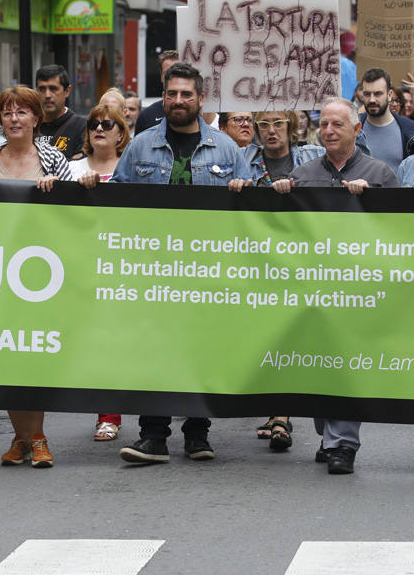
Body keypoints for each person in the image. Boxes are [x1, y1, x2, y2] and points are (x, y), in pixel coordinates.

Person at [107, 62, 250, 464]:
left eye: (187, 94)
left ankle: (197, 434)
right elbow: (116, 197)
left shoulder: (226, 148)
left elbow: (250, 213)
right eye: (172, 94)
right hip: (154, 271)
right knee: (155, 350)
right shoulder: (140, 146)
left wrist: (245, 190)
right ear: (163, 97)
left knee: (203, 350)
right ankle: (152, 436)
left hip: (209, 271)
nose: (179, 101)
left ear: (201, 99)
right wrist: (92, 189)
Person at [272, 97, 400, 475]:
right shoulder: (304, 173)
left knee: (346, 364)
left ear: (356, 129)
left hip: (357, 291)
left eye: (337, 125)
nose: (328, 131)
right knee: (318, 365)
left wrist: (373, 200)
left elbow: (402, 231)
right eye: (323, 124)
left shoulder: (380, 174)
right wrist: (279, 194)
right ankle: (328, 434)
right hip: (310, 291)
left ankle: (343, 444)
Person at [0, 85, 70, 468]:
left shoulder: (52, 158)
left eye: (22, 112)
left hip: (41, 271)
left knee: (32, 358)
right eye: (8, 112)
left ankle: (38, 437)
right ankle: (21, 438)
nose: (14, 119)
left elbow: (75, 205)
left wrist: (57, 190)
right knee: (5, 358)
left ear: (35, 119)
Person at [240, 110, 324, 449]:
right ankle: (276, 409)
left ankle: (281, 415)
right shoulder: (243, 159)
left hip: (302, 261)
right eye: (264, 125)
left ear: (292, 127)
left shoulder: (310, 156)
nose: (271, 131)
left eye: (278, 124)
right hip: (257, 263)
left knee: (289, 337)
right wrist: (236, 186)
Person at [64, 104, 132, 440]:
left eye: (108, 124)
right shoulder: (71, 167)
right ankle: (105, 414)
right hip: (79, 265)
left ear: (121, 133)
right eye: (93, 124)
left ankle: (116, 414)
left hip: (123, 266)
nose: (99, 129)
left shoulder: (132, 167)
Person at [358, 68, 414, 175]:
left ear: (389, 95)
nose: (372, 100)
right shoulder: (353, 129)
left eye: (378, 93)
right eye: (367, 94)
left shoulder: (411, 131)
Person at [35, 64, 86, 160]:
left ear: (67, 91)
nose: (47, 95)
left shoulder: (81, 127)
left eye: (53, 89)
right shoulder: (30, 124)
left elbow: (80, 165)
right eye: (42, 89)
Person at [134, 50, 180, 134]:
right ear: (161, 76)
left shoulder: (193, 113)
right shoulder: (146, 116)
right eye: (168, 73)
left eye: (178, 72)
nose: (173, 77)